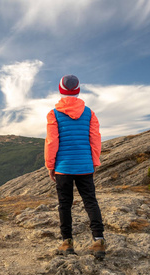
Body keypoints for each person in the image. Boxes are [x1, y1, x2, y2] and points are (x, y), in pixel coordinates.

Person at [44, 74, 106, 260]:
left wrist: (50, 165)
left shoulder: (53, 114)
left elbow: (51, 142)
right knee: (90, 201)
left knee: (65, 204)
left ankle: (67, 243)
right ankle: (99, 240)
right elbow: (95, 139)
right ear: (77, 90)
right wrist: (94, 162)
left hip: (63, 167)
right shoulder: (89, 113)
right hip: (85, 166)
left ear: (60, 90)